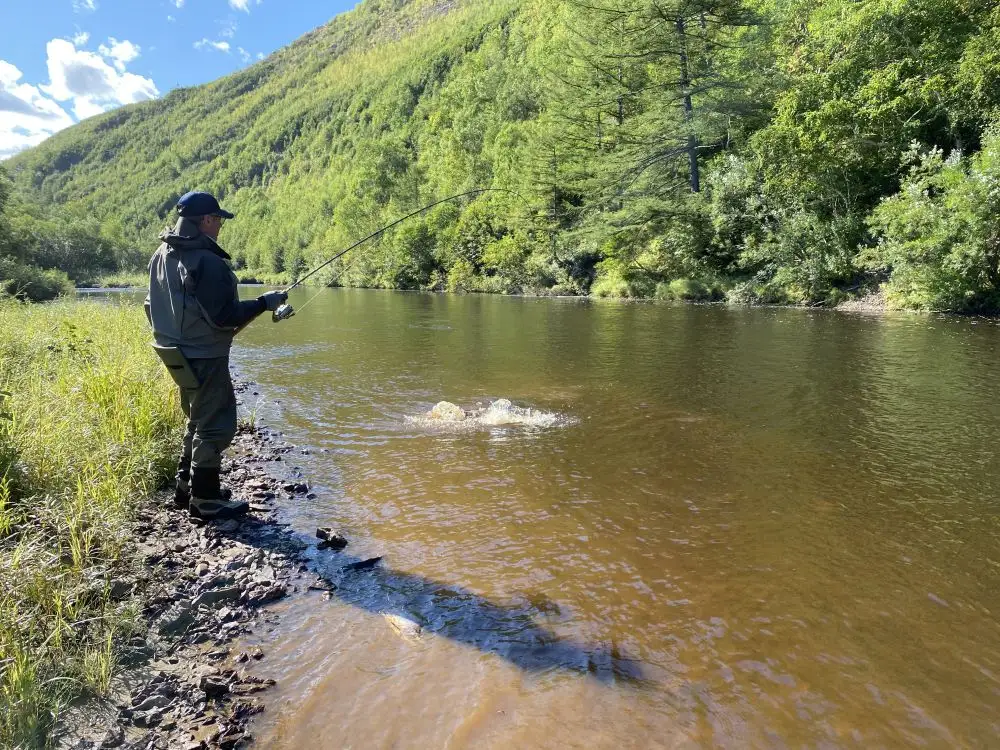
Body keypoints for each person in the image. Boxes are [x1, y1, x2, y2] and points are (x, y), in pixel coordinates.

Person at [145, 191, 287, 520]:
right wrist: (264, 302)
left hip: (173, 352)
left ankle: (187, 488)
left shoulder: (162, 253)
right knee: (215, 425)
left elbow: (150, 307)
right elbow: (225, 316)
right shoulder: (206, 261)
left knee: (196, 418)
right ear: (206, 220)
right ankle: (206, 500)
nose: (221, 225)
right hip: (203, 356)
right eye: (218, 219)